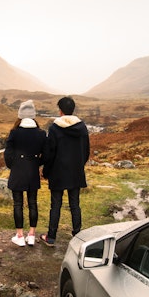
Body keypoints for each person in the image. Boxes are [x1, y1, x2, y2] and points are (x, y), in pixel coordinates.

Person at [40, 96, 89, 246]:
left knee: (56, 205)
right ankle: (77, 235)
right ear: (72, 110)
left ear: (60, 111)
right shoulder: (82, 127)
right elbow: (86, 151)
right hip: (75, 172)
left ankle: (51, 237)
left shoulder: (54, 128)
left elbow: (49, 153)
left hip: (58, 173)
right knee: (75, 204)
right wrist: (79, 165)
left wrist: (46, 172)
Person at [4, 100, 46, 246]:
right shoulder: (41, 133)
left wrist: (14, 166)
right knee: (33, 203)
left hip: (17, 172)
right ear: (33, 115)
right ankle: (32, 235)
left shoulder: (14, 133)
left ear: (20, 115)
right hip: (32, 172)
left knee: (18, 204)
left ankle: (20, 236)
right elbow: (45, 155)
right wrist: (36, 163)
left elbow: (7, 154)